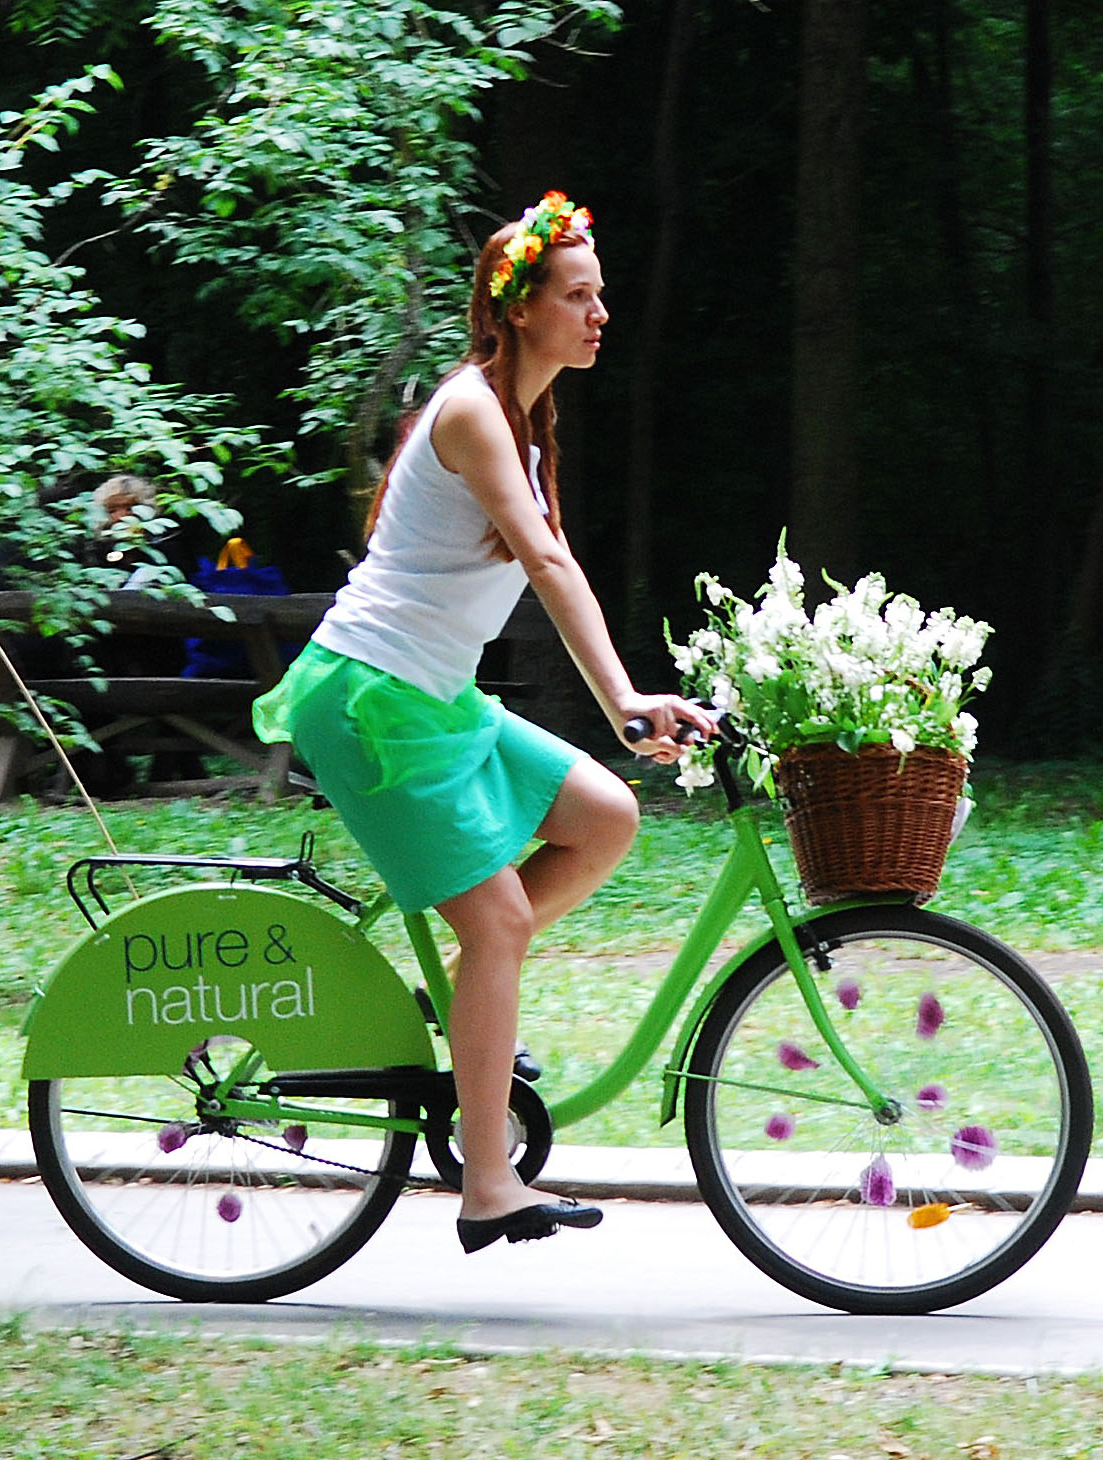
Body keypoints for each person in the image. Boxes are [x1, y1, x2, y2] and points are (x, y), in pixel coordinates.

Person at [253, 192, 715, 1255]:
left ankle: (469, 998)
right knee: (500, 919)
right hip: (370, 699)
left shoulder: (524, 426)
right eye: (579, 295)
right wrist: (623, 700)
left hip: (433, 700)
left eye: (600, 295)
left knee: (604, 816)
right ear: (518, 310)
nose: (600, 314)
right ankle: (487, 1185)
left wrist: (623, 707)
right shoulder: (470, 409)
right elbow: (546, 561)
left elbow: (553, 558)